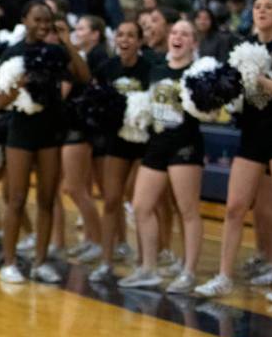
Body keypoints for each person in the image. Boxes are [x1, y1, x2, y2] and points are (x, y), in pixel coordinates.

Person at [196, 0, 272, 302]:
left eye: (269, 7)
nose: (262, 10)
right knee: (236, 206)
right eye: (257, 6)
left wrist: (263, 81)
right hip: (251, 135)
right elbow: (231, 90)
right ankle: (224, 276)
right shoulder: (242, 47)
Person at [0, 1, 90, 283]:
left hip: (51, 132)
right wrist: (19, 84)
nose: (42, 25)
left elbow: (84, 77)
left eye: (46, 21)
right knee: (17, 198)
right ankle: (9, 262)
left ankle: (40, 262)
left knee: (48, 198)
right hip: (21, 133)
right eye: (37, 20)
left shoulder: (56, 52)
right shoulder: (13, 54)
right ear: (24, 19)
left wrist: (66, 41)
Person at [118, 19, 203, 293]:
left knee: (187, 210)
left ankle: (189, 272)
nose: (178, 36)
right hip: (157, 143)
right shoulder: (157, 70)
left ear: (193, 42)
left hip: (185, 144)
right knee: (141, 206)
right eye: (175, 32)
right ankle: (149, 269)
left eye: (185, 33)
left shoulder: (198, 72)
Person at [89, 21, 152, 281]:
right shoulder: (107, 68)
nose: (125, 39)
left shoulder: (149, 69)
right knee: (112, 200)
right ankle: (106, 261)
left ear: (139, 41)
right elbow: (95, 102)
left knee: (137, 202)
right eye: (121, 34)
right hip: (116, 143)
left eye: (131, 35)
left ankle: (142, 262)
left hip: (143, 145)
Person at [61, 15, 109, 263]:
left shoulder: (97, 56)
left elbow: (86, 80)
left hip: (79, 129)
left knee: (75, 188)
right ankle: (92, 239)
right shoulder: (83, 53)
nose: (77, 31)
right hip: (72, 126)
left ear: (96, 34)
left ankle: (98, 241)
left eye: (82, 28)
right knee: (80, 188)